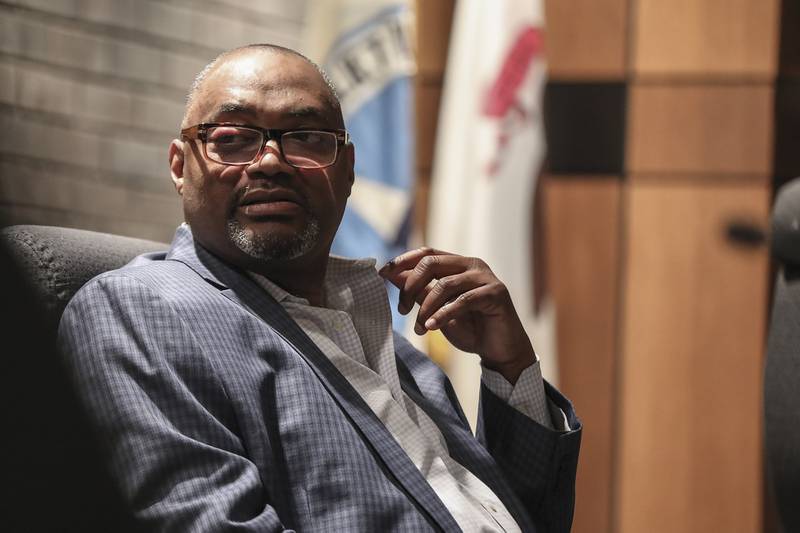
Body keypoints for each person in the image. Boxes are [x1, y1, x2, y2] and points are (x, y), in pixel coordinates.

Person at [58, 43, 581, 532]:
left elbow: (515, 517)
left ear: (347, 169)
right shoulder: (138, 311)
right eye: (232, 138)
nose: (270, 162)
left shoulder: (395, 350)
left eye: (306, 137)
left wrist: (510, 369)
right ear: (180, 166)